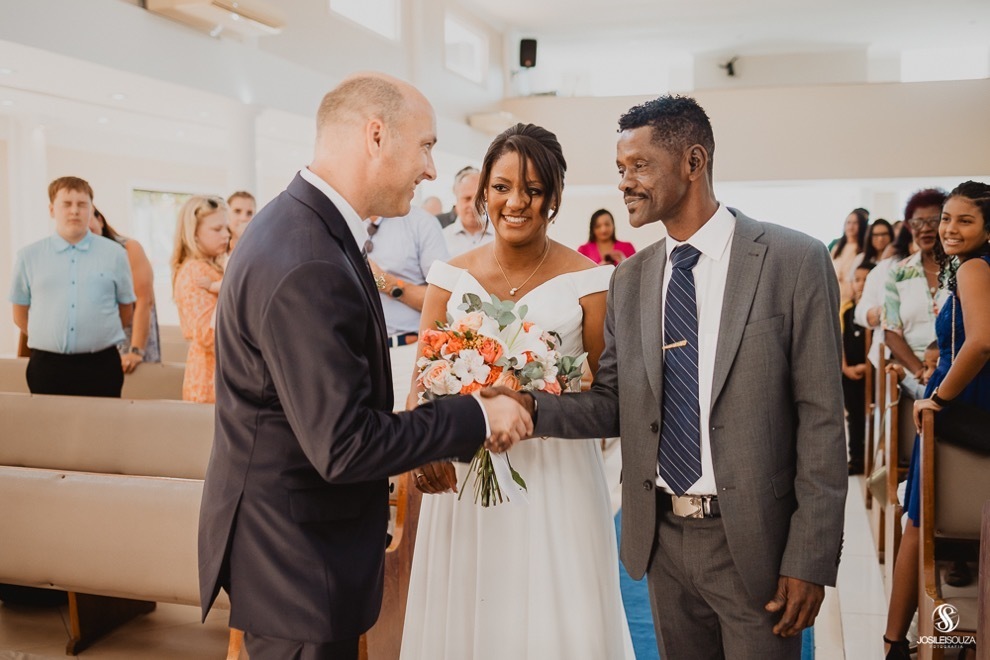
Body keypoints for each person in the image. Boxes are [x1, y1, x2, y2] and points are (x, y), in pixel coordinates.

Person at [491, 95, 847, 659]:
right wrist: (531, 408)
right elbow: (613, 402)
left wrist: (810, 557)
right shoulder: (630, 280)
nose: (625, 183)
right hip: (662, 539)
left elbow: (823, 420)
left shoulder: (792, 260)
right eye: (619, 170)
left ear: (693, 161)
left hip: (754, 539)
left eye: (639, 167)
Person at [197, 72, 531, 660]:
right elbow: (344, 444)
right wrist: (476, 415)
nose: (432, 169)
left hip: (298, 547)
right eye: (426, 145)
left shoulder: (304, 225)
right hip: (299, 563)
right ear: (376, 136)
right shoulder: (307, 258)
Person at [400, 124, 634, 660]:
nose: (516, 201)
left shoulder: (590, 281)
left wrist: (531, 403)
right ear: (483, 191)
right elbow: (421, 384)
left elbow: (610, 404)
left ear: (553, 197)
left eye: (532, 189)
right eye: (502, 186)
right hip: (462, 482)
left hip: (555, 483)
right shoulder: (447, 277)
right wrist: (424, 449)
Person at [883, 180, 990, 659]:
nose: (948, 228)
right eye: (946, 217)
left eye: (964, 220)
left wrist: (937, 400)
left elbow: (982, 342)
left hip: (960, 407)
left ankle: (895, 644)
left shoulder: (973, 268)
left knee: (916, 527)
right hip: (972, 401)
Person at [9, 176, 135, 397]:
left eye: (82, 204)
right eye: (66, 204)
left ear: (91, 209)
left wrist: (97, 336)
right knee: (48, 429)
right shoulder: (28, 256)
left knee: (102, 429)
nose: (74, 211)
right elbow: (20, 313)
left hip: (102, 365)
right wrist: (47, 334)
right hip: (47, 365)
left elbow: (126, 307)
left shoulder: (115, 254)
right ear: (51, 210)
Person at [884, 189, 949, 385]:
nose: (925, 228)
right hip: (915, 377)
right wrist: (922, 372)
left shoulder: (965, 268)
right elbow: (891, 332)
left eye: (933, 221)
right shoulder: (899, 273)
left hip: (961, 373)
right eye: (917, 223)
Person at [170, 195, 229, 403]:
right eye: (217, 229)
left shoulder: (213, 267)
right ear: (194, 233)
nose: (226, 235)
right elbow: (207, 334)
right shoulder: (195, 271)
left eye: (226, 228)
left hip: (220, 372)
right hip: (210, 378)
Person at [89, 207, 161, 371]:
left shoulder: (129, 248)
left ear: (99, 220)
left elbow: (144, 300)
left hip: (131, 344)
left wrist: (135, 350)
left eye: (89, 224)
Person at [842, 262, 874, 474]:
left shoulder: (874, 310)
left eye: (867, 279)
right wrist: (845, 367)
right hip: (850, 371)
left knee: (869, 413)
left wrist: (869, 366)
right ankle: (855, 457)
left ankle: (871, 456)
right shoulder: (846, 311)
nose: (861, 284)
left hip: (872, 372)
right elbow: (839, 339)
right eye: (858, 279)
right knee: (853, 415)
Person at [441, 167, 495, 257]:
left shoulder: (501, 236)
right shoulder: (442, 238)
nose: (473, 205)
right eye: (467, 198)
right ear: (456, 199)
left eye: (479, 199)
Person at [831, 208, 868, 304]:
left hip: (850, 300)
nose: (851, 227)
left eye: (855, 223)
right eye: (848, 223)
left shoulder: (863, 249)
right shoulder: (837, 247)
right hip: (834, 296)